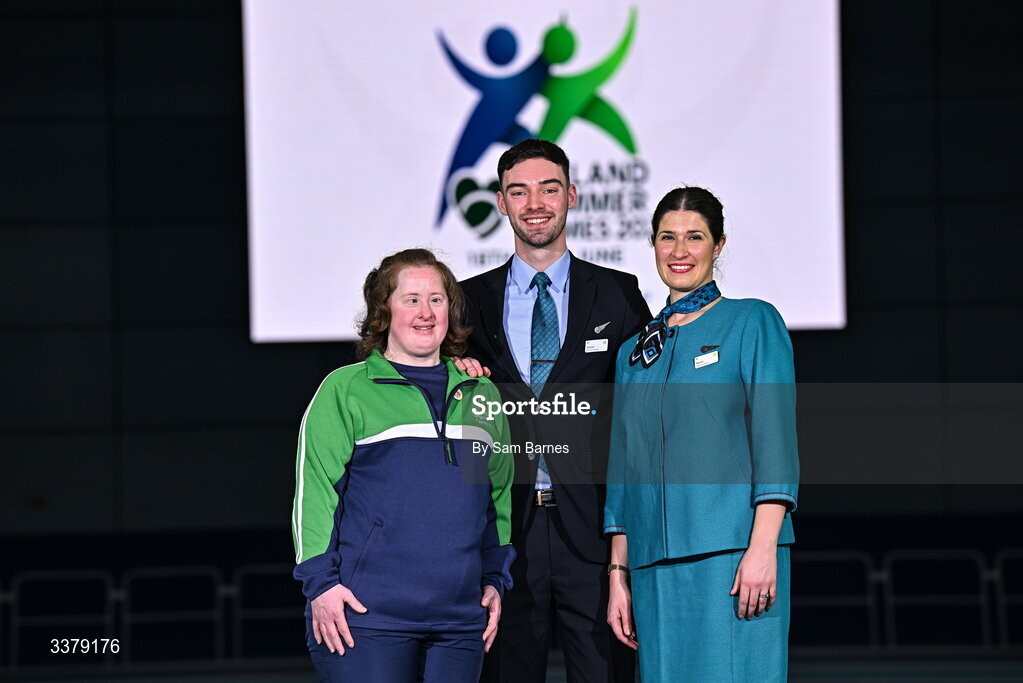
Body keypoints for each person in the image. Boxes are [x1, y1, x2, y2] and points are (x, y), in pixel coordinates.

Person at [461, 138, 650, 682]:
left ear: (571, 195)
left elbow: (636, 420)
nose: (535, 203)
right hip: (502, 536)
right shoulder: (464, 304)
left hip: (592, 533)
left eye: (548, 188)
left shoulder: (618, 294)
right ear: (501, 202)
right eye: (518, 191)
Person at [291, 248, 515, 682]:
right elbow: (313, 493)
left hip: (459, 622)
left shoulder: (482, 395)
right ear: (383, 310)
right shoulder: (346, 389)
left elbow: (498, 498)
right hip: (365, 617)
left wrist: (495, 579)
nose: (426, 312)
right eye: (410, 299)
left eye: (437, 298)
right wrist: (321, 585)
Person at [604, 186, 799, 681]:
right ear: (652, 245)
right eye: (667, 238)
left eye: (695, 237)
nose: (679, 251)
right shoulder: (634, 353)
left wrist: (763, 550)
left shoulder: (752, 321)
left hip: (732, 557)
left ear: (719, 244)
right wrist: (618, 575)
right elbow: (624, 470)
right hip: (651, 567)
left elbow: (775, 443)